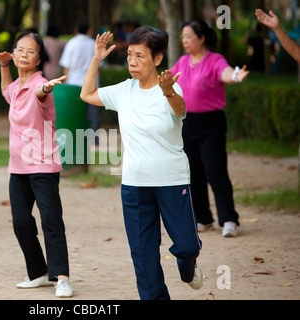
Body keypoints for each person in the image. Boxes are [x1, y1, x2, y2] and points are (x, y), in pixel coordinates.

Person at [80, 27, 203, 300]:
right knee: (143, 255)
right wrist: (96, 60)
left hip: (171, 180)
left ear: (157, 59)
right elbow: (87, 95)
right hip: (135, 184)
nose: (132, 62)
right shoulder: (124, 90)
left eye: (140, 56)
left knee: (186, 245)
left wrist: (169, 92)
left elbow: (181, 110)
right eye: (129, 56)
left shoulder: (170, 88)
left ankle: (188, 264)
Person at [0, 31, 72, 298]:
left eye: (30, 51)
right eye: (20, 50)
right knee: (21, 222)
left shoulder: (39, 84)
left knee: (51, 221)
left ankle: (61, 277)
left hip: (42, 165)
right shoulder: (16, 86)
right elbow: (6, 91)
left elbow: (41, 92)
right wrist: (4, 65)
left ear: (39, 59)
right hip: (17, 167)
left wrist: (47, 87)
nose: (24, 55)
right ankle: (38, 272)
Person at [171, 19, 249, 238]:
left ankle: (229, 219)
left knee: (215, 171)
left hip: (211, 124)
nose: (185, 41)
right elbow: (168, 81)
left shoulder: (214, 59)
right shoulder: (183, 62)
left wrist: (235, 75)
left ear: (202, 38)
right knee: (193, 172)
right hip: (187, 123)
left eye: (189, 37)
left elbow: (225, 73)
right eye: (183, 37)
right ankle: (203, 219)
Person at [60, 19, 100, 139]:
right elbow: (99, 67)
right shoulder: (94, 44)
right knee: (92, 114)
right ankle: (94, 140)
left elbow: (66, 66)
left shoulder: (71, 43)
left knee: (74, 112)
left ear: (76, 30)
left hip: (74, 83)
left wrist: (66, 83)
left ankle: (74, 138)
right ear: (89, 30)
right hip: (92, 84)